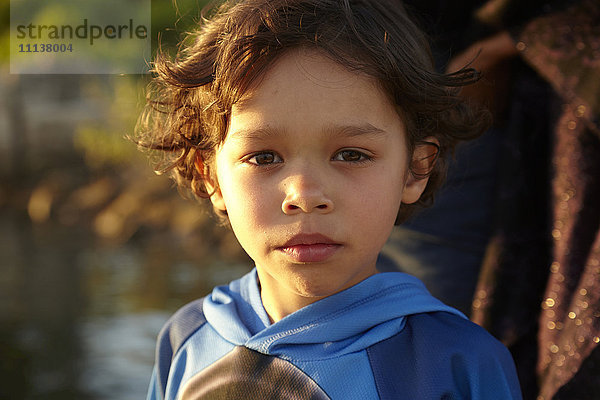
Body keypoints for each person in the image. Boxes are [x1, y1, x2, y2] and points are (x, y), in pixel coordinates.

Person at [136, 0, 522, 398]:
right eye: (264, 157)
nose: (304, 195)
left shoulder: (459, 363)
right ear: (211, 175)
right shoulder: (187, 337)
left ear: (415, 169)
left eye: (351, 154)